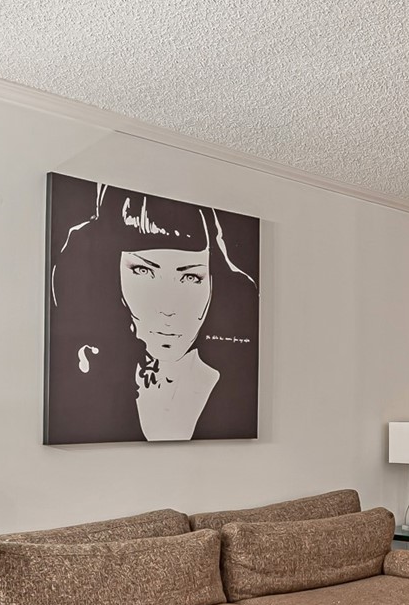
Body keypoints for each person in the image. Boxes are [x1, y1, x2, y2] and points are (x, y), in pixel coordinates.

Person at [45, 177, 259, 443]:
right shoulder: (85, 381)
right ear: (112, 276)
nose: (168, 309)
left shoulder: (240, 387)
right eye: (143, 271)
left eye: (191, 277)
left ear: (215, 282)